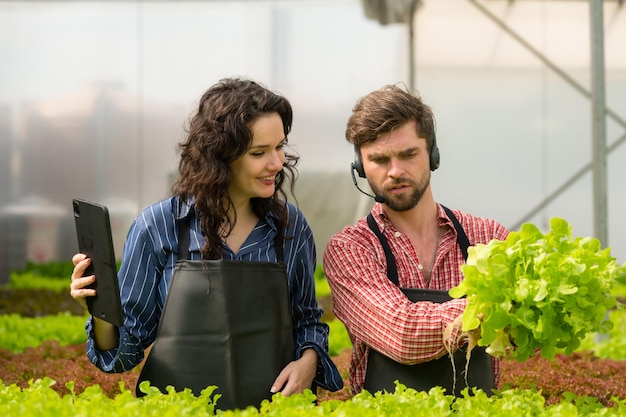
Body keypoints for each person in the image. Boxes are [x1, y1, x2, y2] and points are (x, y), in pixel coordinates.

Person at [70, 77, 343, 403]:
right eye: (260, 152)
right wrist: (101, 310)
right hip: (182, 410)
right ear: (220, 156)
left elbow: (307, 320)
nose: (277, 163)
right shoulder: (159, 227)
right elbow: (123, 353)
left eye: (280, 147)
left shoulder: (290, 228)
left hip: (272, 409)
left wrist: (309, 361)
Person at [322, 83, 509, 395]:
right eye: (379, 160)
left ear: (432, 155)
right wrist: (490, 311)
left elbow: (527, 336)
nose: (395, 171)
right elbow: (403, 334)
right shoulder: (351, 248)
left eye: (408, 155)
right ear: (360, 167)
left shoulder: (488, 238)